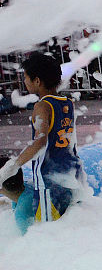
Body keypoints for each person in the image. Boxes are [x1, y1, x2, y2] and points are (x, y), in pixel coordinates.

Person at [0, 54, 84, 233]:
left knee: (46, 232)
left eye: (25, 77)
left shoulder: (42, 106)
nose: (24, 81)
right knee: (70, 225)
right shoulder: (67, 103)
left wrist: (13, 166)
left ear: (37, 81)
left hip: (49, 180)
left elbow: (40, 141)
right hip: (72, 174)